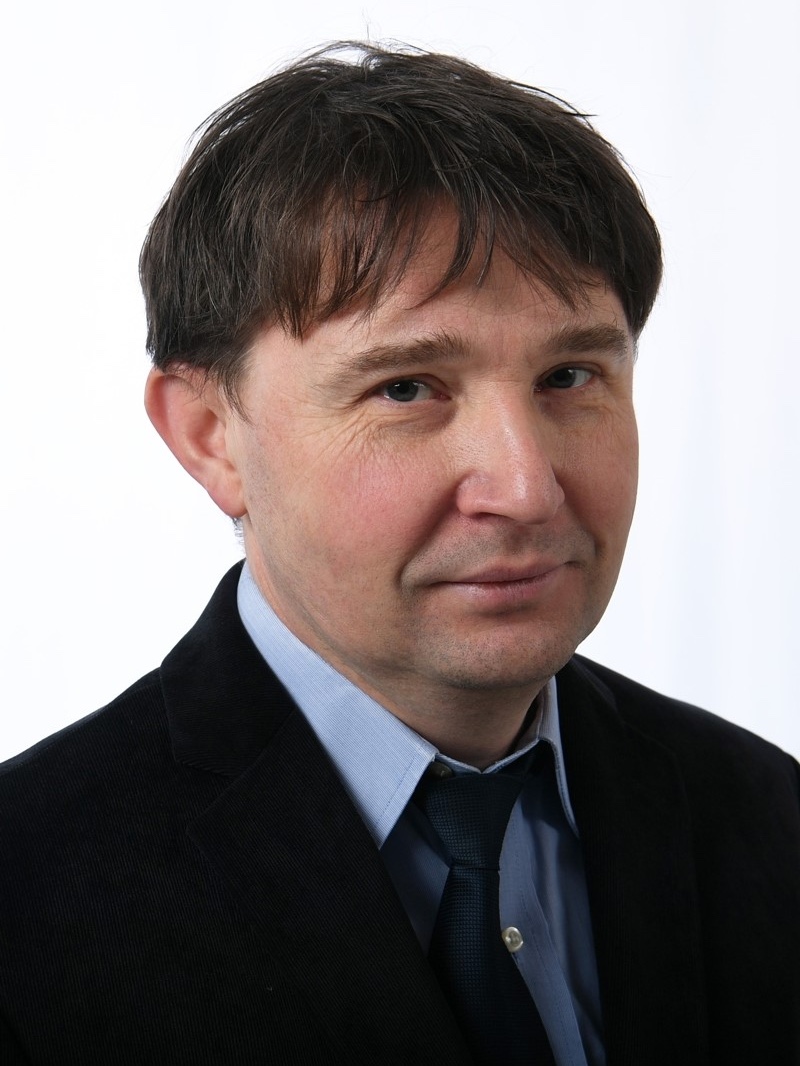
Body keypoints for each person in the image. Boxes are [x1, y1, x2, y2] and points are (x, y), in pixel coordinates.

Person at [0, 43, 797, 1066]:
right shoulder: (26, 906)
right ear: (210, 436)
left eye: (568, 375)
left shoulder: (763, 815)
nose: (524, 487)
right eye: (407, 388)